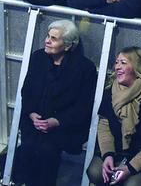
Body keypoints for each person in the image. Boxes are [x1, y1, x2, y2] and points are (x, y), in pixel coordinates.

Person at [13, 20, 97, 186]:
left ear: (67, 45)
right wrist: (32, 114)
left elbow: (83, 106)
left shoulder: (85, 68)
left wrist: (56, 121)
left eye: (54, 38)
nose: (47, 41)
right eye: (47, 36)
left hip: (65, 125)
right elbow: (27, 90)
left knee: (47, 151)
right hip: (34, 120)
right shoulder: (38, 58)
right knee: (28, 148)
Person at [86, 47, 141, 186]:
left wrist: (130, 168)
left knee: (133, 184)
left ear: (137, 68)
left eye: (123, 63)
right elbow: (104, 124)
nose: (117, 67)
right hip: (118, 151)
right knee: (95, 172)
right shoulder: (111, 91)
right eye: (117, 62)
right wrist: (108, 155)